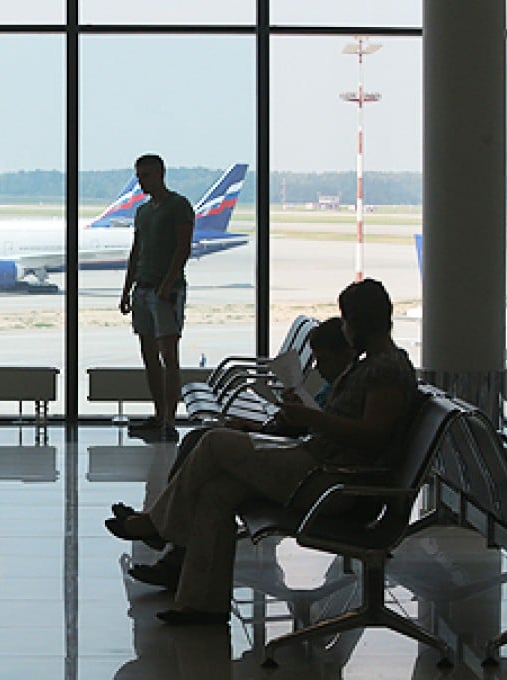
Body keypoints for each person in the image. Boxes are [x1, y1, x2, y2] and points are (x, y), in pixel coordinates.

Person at [105, 279, 418, 624]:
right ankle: (203, 605)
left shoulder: (386, 370)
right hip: (320, 469)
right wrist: (303, 418)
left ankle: (156, 524)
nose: (344, 329)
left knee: (213, 442)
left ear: (359, 322)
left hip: (331, 483)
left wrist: (311, 418)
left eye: (346, 321)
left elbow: (372, 435)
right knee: (217, 492)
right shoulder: (373, 365)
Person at [123, 316, 358, 586]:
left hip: (309, 468)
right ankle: (174, 553)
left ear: (346, 353)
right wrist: (259, 425)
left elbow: (327, 432)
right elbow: (311, 427)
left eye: (324, 361)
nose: (319, 369)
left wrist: (304, 418)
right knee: (197, 442)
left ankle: (160, 528)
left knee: (211, 445)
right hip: (296, 448)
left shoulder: (357, 385)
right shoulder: (335, 385)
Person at [119, 154, 195, 442]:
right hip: (143, 289)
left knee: (169, 356)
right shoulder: (142, 212)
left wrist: (167, 284)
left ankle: (170, 420)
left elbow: (183, 248)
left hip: (166, 292)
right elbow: (136, 251)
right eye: (139, 176)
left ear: (161, 174)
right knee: (149, 356)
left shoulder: (179, 206)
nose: (142, 182)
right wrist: (127, 289)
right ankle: (159, 414)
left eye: (147, 175)